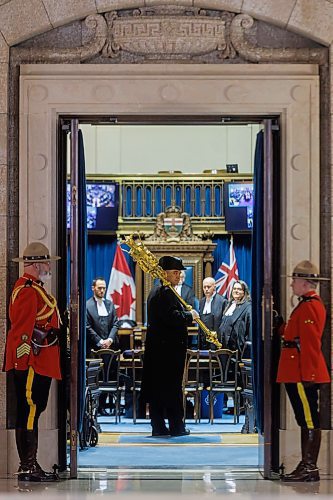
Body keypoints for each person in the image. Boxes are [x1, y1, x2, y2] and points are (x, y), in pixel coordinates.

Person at [3, 242, 62, 482]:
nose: (49, 266)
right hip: (31, 363)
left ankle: (31, 464)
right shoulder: (27, 290)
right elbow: (22, 331)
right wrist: (22, 362)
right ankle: (27, 466)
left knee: (33, 412)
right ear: (37, 265)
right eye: (47, 262)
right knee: (28, 412)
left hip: (40, 361)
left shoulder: (36, 288)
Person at [276, 260, 330, 482]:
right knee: (304, 418)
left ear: (305, 282)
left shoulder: (310, 306)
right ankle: (306, 465)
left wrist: (309, 376)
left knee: (308, 419)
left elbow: (309, 344)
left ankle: (309, 467)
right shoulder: (305, 304)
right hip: (295, 370)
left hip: (301, 372)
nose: (292, 285)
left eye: (294, 281)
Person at [141, 255, 199, 437]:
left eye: (179, 273)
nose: (178, 276)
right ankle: (176, 426)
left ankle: (158, 426)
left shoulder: (159, 292)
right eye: (175, 273)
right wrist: (190, 316)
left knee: (159, 389)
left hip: (160, 350)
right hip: (167, 352)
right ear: (164, 274)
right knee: (172, 388)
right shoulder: (164, 293)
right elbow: (171, 318)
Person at [86, 277, 120, 416]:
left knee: (110, 375)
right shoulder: (87, 305)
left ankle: (106, 405)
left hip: (111, 349)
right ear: (93, 288)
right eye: (99, 288)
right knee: (97, 378)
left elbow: (115, 323)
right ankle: (96, 407)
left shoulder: (110, 304)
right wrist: (100, 341)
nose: (102, 290)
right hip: (95, 349)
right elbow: (87, 326)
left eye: (104, 288)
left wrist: (110, 339)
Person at [218, 280, 251, 354]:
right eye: (234, 288)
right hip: (223, 347)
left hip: (237, 350)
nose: (236, 291)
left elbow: (249, 330)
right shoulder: (229, 304)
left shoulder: (248, 307)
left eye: (239, 289)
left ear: (244, 292)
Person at [198, 277, 227, 350]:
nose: (206, 289)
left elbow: (224, 323)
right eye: (204, 287)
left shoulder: (222, 301)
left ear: (214, 287)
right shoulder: (202, 301)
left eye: (209, 287)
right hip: (203, 340)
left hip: (216, 341)